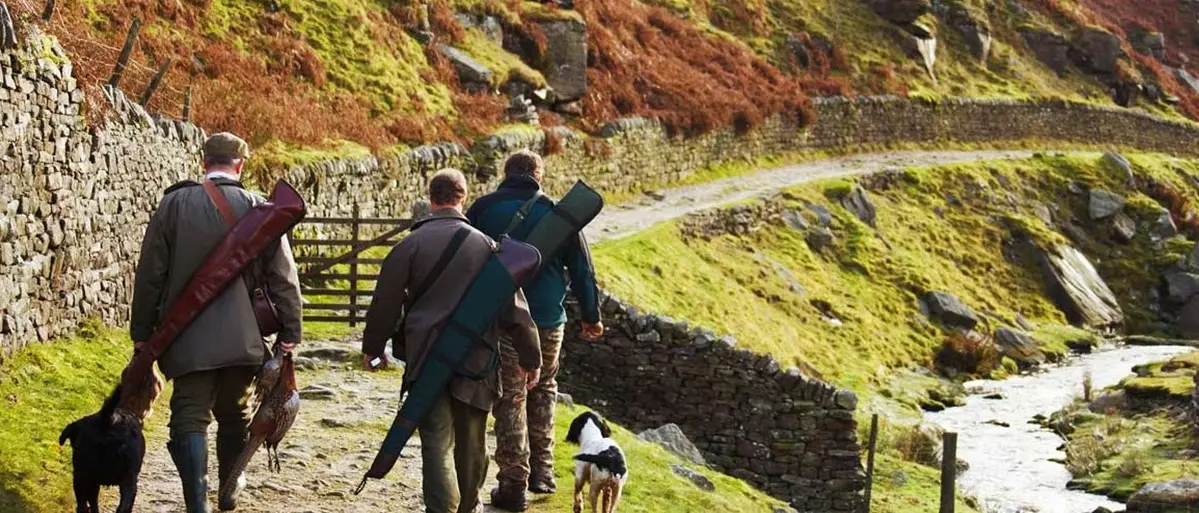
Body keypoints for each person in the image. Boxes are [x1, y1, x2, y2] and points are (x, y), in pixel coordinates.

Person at [130, 132, 304, 513]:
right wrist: (290, 334)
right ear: (240, 164)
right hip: (244, 338)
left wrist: (142, 336)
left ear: (203, 161)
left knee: (189, 417)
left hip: (185, 336)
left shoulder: (173, 205)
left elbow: (150, 276)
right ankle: (229, 486)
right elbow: (283, 278)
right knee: (235, 412)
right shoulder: (260, 207)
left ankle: (198, 504)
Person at [361, 169, 543, 513]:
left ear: (432, 198)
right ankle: (468, 507)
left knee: (435, 443)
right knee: (472, 444)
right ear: (463, 198)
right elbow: (516, 310)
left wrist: (373, 348)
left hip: (426, 357)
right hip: (477, 360)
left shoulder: (409, 245)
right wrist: (530, 358)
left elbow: (384, 302)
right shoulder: (489, 247)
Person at [465, 150, 604, 511]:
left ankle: (514, 482)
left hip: (503, 318)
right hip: (547, 320)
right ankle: (542, 472)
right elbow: (583, 271)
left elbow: (463, 259)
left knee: (511, 394)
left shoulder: (482, 209)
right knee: (544, 389)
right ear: (538, 176)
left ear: (506, 173)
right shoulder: (559, 214)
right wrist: (591, 316)